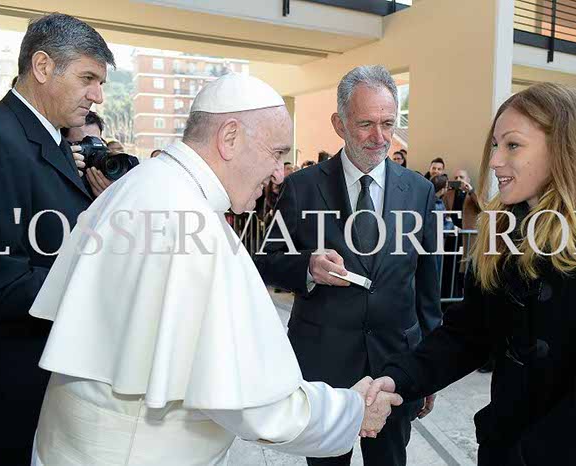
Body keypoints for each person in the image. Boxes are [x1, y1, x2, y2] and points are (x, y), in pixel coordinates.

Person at [29, 73, 403, 466]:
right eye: (276, 153)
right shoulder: (192, 225)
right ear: (229, 138)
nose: (279, 173)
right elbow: (258, 406)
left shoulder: (142, 184)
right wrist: (351, 410)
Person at [366, 83, 576, 465]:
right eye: (496, 145)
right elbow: (469, 332)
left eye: (513, 145)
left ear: (565, 147)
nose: (495, 160)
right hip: (503, 448)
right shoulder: (504, 229)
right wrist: (398, 378)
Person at [255, 65, 442, 466]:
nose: (380, 137)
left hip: (395, 365)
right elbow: (266, 261)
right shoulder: (302, 187)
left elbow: (428, 293)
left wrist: (430, 369)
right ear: (339, 124)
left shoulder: (421, 191)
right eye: (366, 124)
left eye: (388, 123)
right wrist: (308, 267)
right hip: (324, 367)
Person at [0, 13, 114, 464]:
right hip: (7, 381)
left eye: (100, 82)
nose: (97, 95)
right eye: (87, 78)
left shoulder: (50, 139)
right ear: (42, 67)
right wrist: (102, 285)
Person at [62, 110, 115, 197]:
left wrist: (110, 196)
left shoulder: (111, 172)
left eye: (97, 142)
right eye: (85, 144)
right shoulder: (60, 174)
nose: (93, 151)